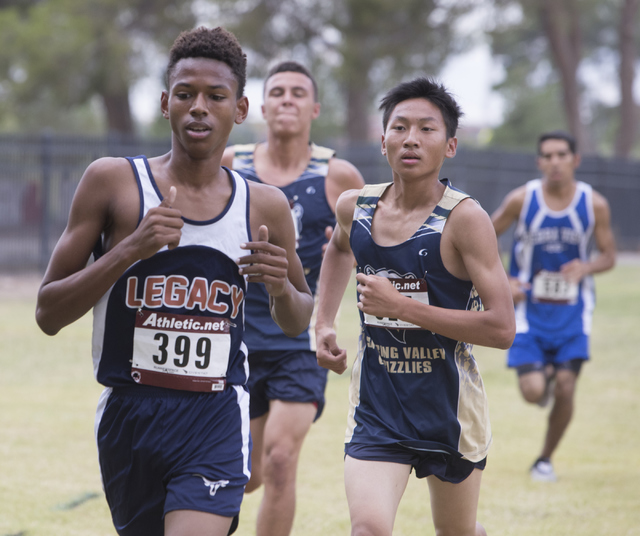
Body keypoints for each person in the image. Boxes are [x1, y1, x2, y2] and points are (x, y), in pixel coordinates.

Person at [35, 27, 314, 536]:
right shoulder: (112, 182)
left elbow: (298, 319)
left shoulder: (266, 205)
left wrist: (278, 287)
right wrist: (130, 249)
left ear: (242, 108)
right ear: (166, 103)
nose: (199, 108)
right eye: (185, 95)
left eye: (216, 97)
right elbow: (48, 313)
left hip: (216, 412)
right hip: (130, 412)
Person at [315, 77, 516, 536]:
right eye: (399, 127)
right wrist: (323, 322)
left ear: (450, 145)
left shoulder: (465, 219)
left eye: (426, 129)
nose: (410, 138)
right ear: (382, 139)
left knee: (457, 533)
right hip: (377, 406)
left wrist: (404, 308)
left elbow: (503, 329)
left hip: (449, 409)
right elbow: (339, 250)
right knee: (367, 530)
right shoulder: (356, 206)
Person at [221, 61, 364, 536]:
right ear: (260, 108)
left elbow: (375, 246)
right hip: (231, 338)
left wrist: (341, 251)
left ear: (314, 108)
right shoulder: (229, 165)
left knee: (281, 460)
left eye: (297, 93)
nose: (286, 99)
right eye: (277, 91)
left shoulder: (339, 175)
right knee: (245, 475)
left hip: (296, 339)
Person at [491, 130, 616, 482]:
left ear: (575, 160)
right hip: (528, 311)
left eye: (562, 154)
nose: (555, 162)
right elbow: (481, 236)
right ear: (539, 162)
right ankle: (542, 375)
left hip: (573, 312)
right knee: (532, 392)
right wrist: (504, 281)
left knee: (566, 386)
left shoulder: (594, 205)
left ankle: (544, 459)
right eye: (547, 155)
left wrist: (586, 267)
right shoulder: (522, 200)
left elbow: (608, 256)